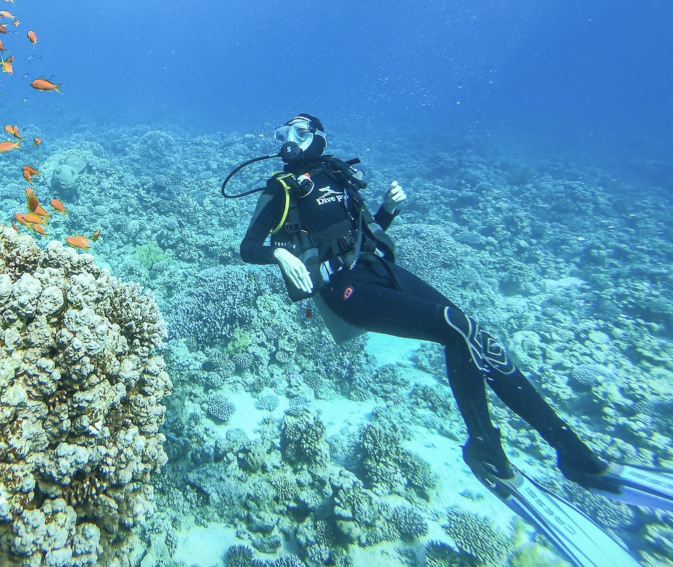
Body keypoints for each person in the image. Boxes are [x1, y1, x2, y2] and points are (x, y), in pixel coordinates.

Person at [231, 113, 672, 567]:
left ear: (320, 139)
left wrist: (387, 210)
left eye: (300, 131)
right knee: (454, 327)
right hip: (345, 289)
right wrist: (279, 251)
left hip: (380, 271)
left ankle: (576, 456)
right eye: (284, 133)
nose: (288, 139)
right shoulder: (282, 188)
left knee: (474, 334)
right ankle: (487, 449)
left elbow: (360, 234)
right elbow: (248, 247)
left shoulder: (338, 175)